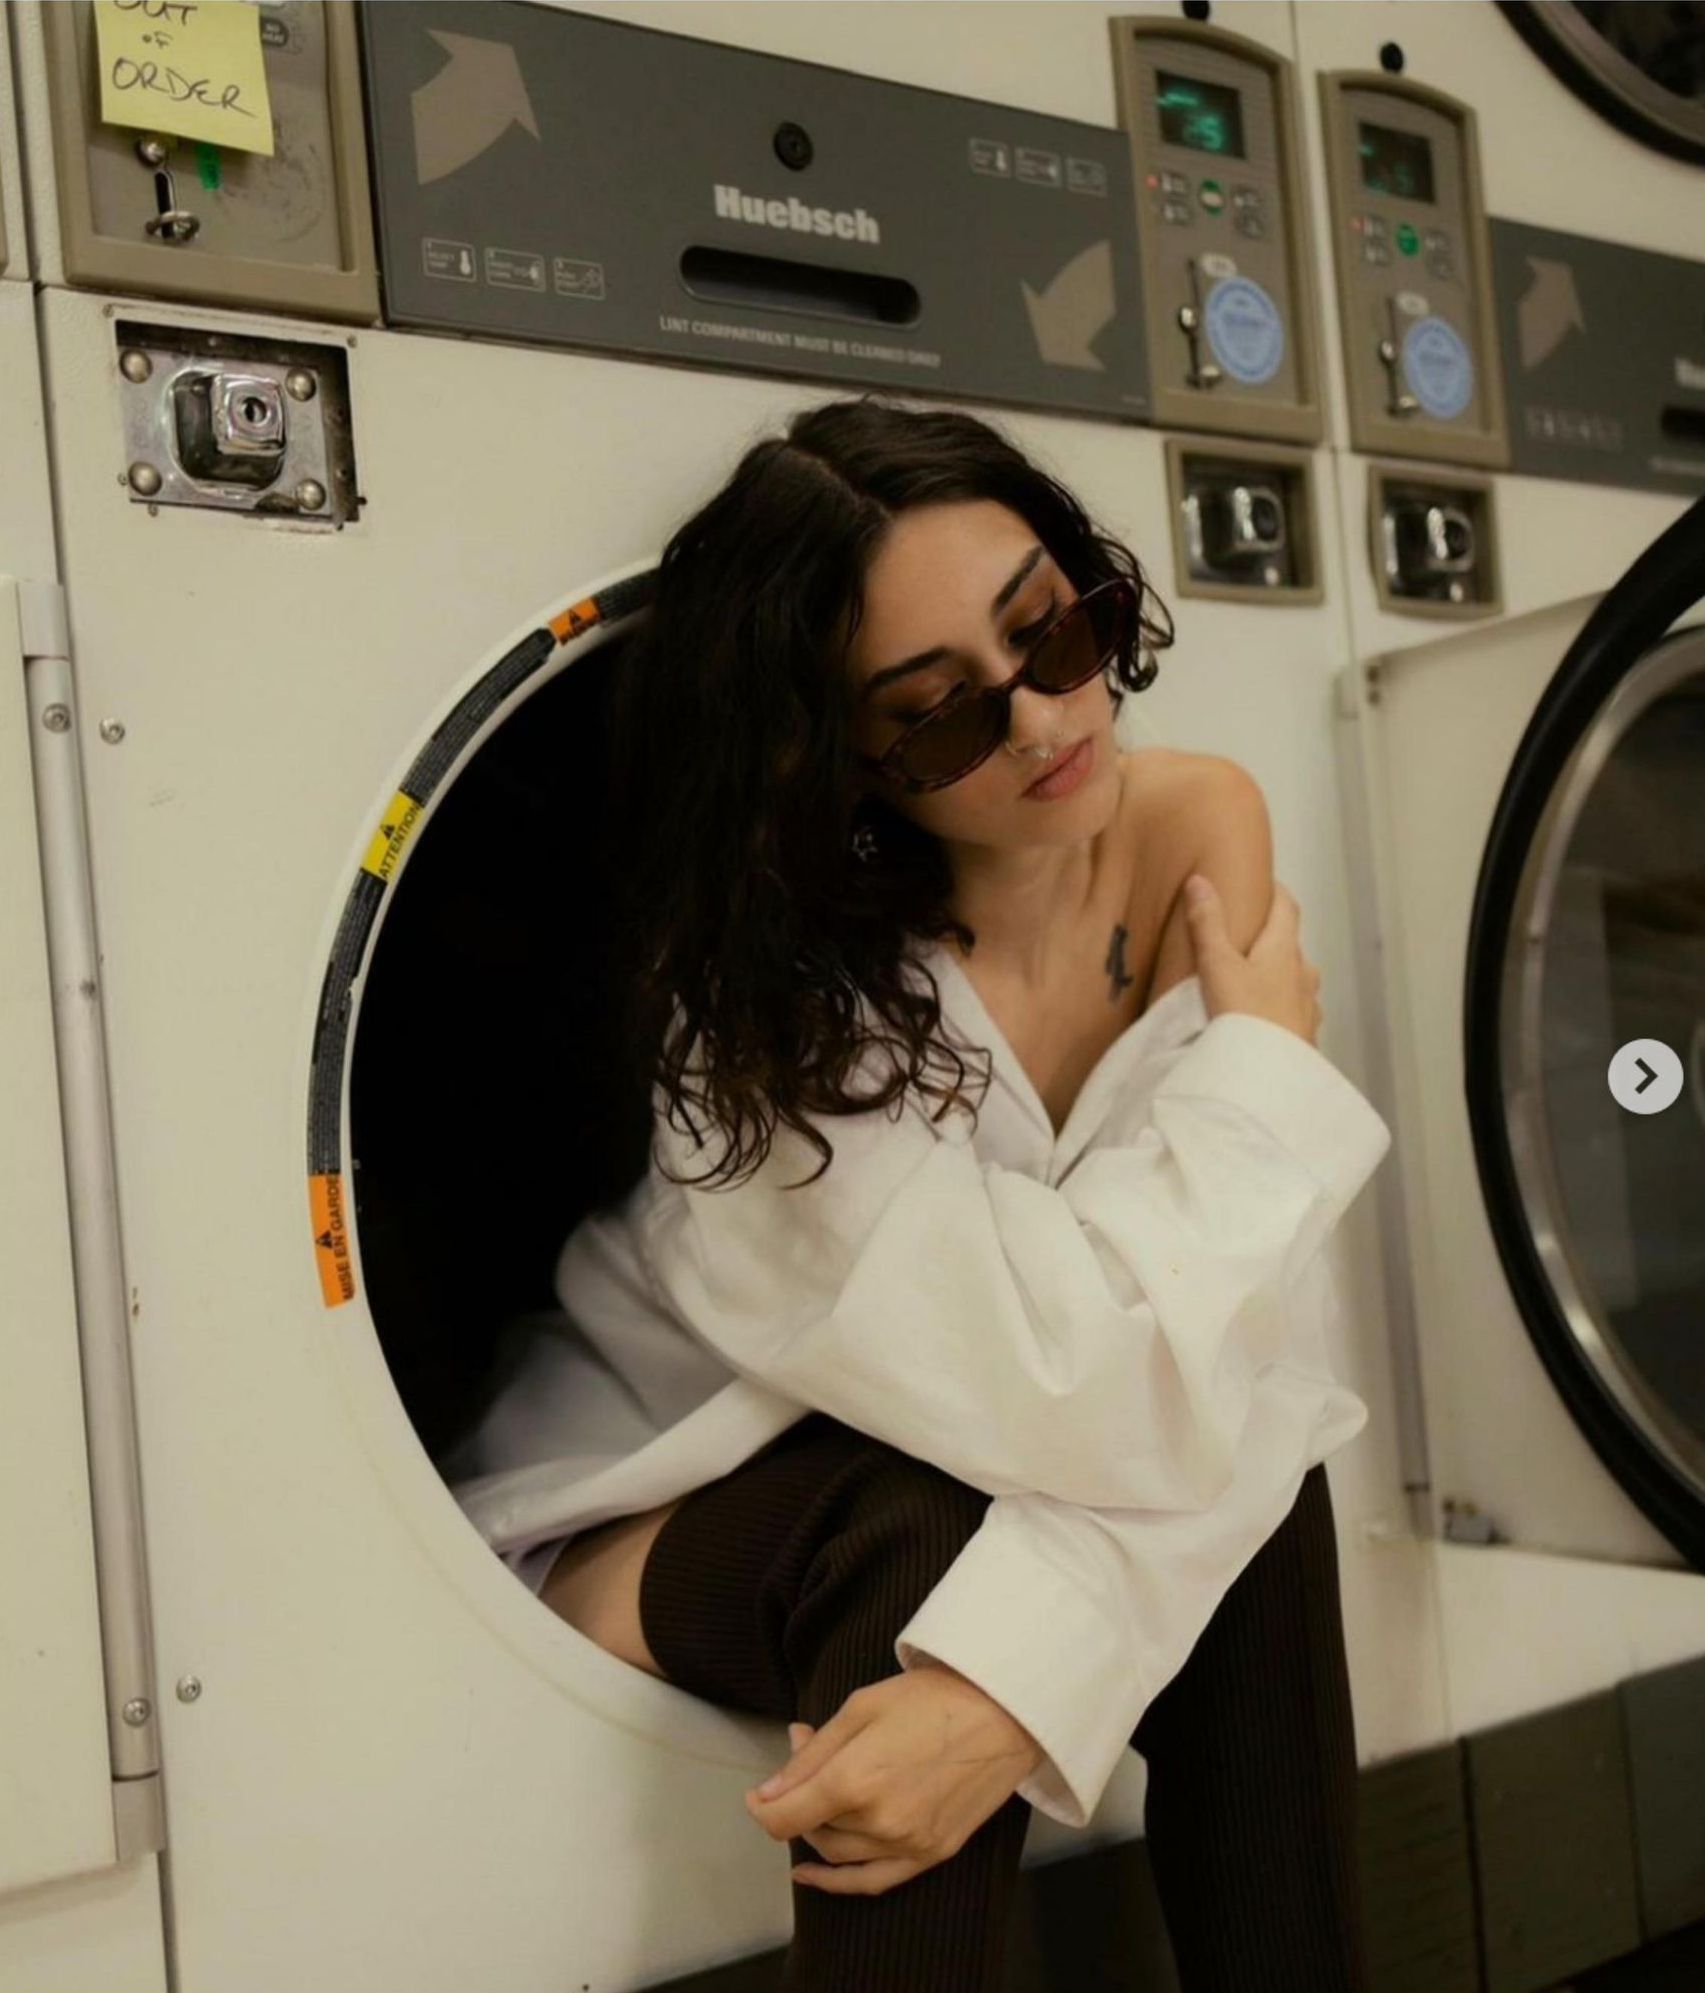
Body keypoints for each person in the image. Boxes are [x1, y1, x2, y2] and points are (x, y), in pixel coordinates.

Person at [447, 393, 1390, 1990]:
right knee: (925, 1526)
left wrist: (1004, 1691)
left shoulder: (1191, 827)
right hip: (648, 1506)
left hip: (978, 1438)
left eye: (1052, 628)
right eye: (939, 715)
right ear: (842, 759)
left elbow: (1227, 1346)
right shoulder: (767, 1006)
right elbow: (1080, 1375)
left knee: (1257, 1466)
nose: (1039, 723)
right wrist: (1260, 1068)